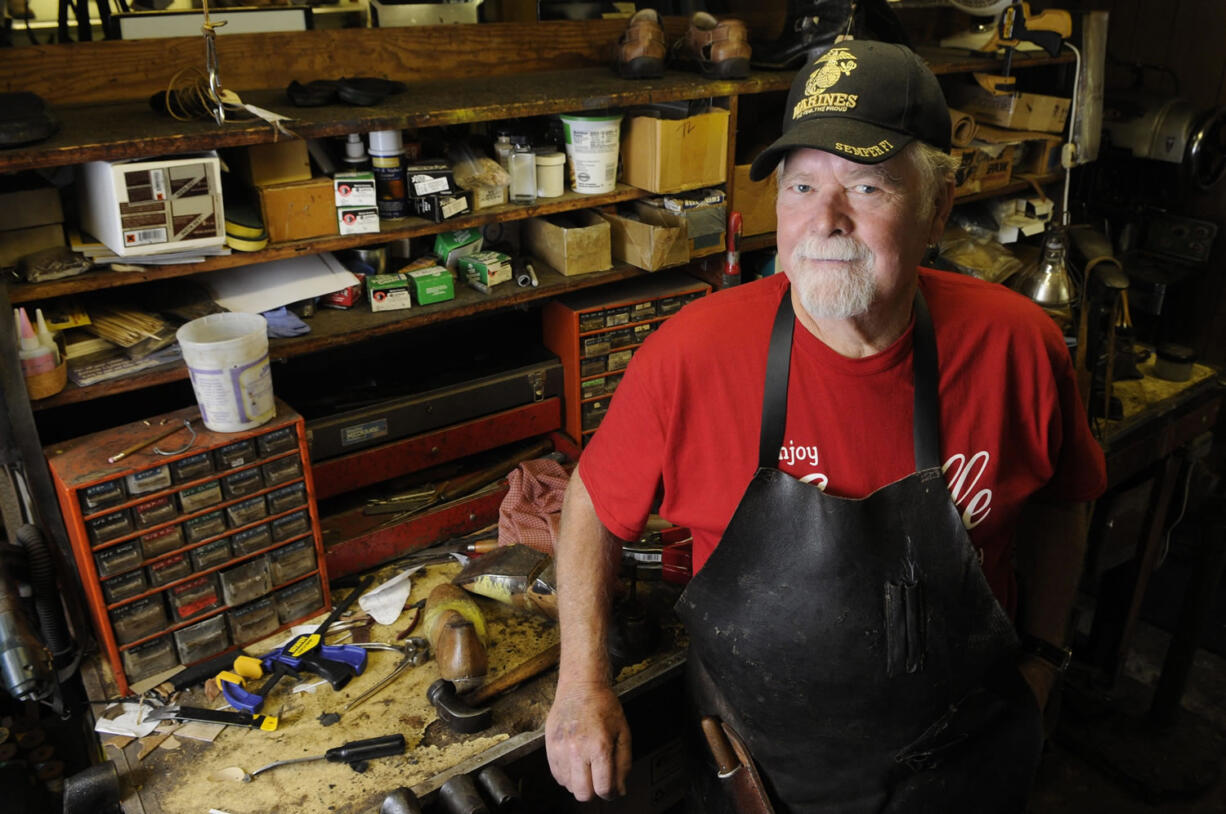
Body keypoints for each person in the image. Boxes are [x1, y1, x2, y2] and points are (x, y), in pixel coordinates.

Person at [544, 40, 1107, 813]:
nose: (824, 220)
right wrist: (580, 684)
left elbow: (1064, 501)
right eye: (801, 184)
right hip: (755, 774)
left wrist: (1045, 659)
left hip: (964, 764)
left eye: (867, 186)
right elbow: (591, 503)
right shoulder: (690, 356)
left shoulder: (1018, 346)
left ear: (939, 207)